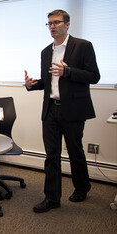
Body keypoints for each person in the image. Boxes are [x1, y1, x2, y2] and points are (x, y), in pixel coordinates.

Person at [24, 9, 100, 213]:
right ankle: (51, 198)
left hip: (73, 109)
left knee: (75, 151)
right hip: (50, 110)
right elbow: (48, 82)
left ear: (67, 24)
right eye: (49, 23)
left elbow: (94, 76)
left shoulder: (83, 46)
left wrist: (68, 71)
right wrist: (32, 84)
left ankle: (82, 188)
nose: (52, 26)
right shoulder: (45, 52)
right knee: (51, 156)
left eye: (57, 22)